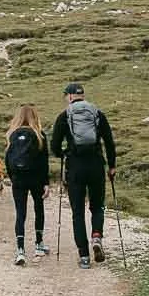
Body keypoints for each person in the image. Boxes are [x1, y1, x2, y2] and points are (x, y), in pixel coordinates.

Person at [50, 81, 116, 268]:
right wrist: (112, 166)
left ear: (70, 96)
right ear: (82, 95)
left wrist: (64, 153)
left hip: (75, 167)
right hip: (96, 164)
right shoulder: (97, 113)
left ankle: (84, 256)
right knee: (97, 207)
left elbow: (54, 146)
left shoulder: (64, 116)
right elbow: (109, 141)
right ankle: (96, 236)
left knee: (77, 212)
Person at [5, 105, 50, 266]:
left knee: (20, 213)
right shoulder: (39, 135)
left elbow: (7, 159)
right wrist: (46, 183)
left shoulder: (12, 134)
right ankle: (39, 244)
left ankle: (20, 250)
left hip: (18, 179)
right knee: (39, 209)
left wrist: (12, 177)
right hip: (36, 178)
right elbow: (44, 161)